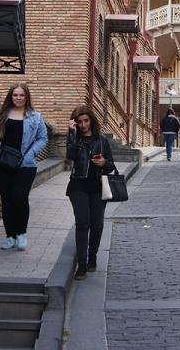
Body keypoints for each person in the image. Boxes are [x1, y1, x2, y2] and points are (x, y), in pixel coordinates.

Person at [0, 83, 48, 251]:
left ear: (26, 97)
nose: (19, 98)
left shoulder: (35, 117)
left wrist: (30, 154)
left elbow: (43, 138)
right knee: (6, 200)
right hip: (3, 165)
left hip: (26, 166)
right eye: (15, 95)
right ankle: (10, 236)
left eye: (22, 95)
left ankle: (21, 233)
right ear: (10, 97)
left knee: (18, 197)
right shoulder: (1, 116)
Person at [66, 105, 115, 280]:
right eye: (79, 122)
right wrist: (71, 133)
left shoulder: (101, 140)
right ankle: (82, 264)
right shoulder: (75, 139)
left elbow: (111, 166)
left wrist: (104, 163)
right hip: (78, 186)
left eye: (86, 121)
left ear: (91, 121)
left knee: (97, 225)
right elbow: (70, 155)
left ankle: (92, 256)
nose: (83, 125)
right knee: (82, 224)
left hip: (97, 187)